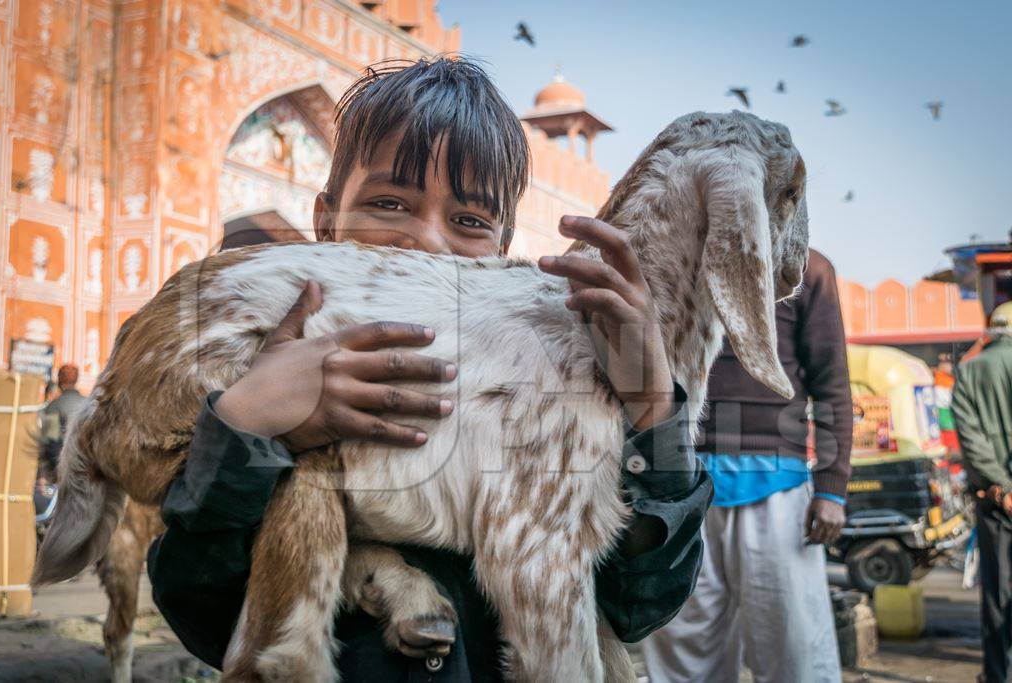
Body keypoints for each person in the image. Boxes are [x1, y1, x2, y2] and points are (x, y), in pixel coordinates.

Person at [147, 57, 712, 680]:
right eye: (389, 203)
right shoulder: (269, 371)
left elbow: (640, 603)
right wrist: (249, 427)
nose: (428, 242)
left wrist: (652, 406)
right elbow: (200, 610)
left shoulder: (539, 394)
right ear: (324, 222)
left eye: (469, 222)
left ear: (502, 252)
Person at [642, 248, 853, 682]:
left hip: (777, 490)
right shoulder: (674, 257)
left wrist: (832, 490)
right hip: (682, 489)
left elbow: (832, 384)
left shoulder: (808, 269)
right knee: (682, 649)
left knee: (793, 648)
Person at [951, 301, 1012, 683]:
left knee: (997, 593)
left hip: (994, 502)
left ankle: (998, 675)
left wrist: (1004, 489)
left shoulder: (969, 371)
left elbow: (970, 440)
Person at [37, 364, 88, 485]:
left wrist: (43, 476)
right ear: (76, 380)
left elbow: (48, 443)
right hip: (87, 472)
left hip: (62, 473)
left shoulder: (53, 407)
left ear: (59, 379)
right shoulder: (89, 405)